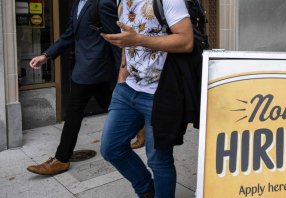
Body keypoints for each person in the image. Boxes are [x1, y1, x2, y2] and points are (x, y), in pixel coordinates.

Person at [100, 0, 194, 197]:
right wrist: (121, 78)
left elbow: (186, 41)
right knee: (111, 148)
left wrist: (138, 40)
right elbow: (127, 41)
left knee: (158, 161)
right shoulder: (121, 2)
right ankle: (147, 191)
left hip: (161, 93)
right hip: (127, 89)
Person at [26, 0, 121, 175]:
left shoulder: (103, 3)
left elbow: (116, 39)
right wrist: (46, 55)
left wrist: (122, 73)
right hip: (84, 68)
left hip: (94, 69)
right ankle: (139, 127)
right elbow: (69, 34)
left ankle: (62, 159)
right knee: (109, 103)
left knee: (73, 112)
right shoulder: (78, 4)